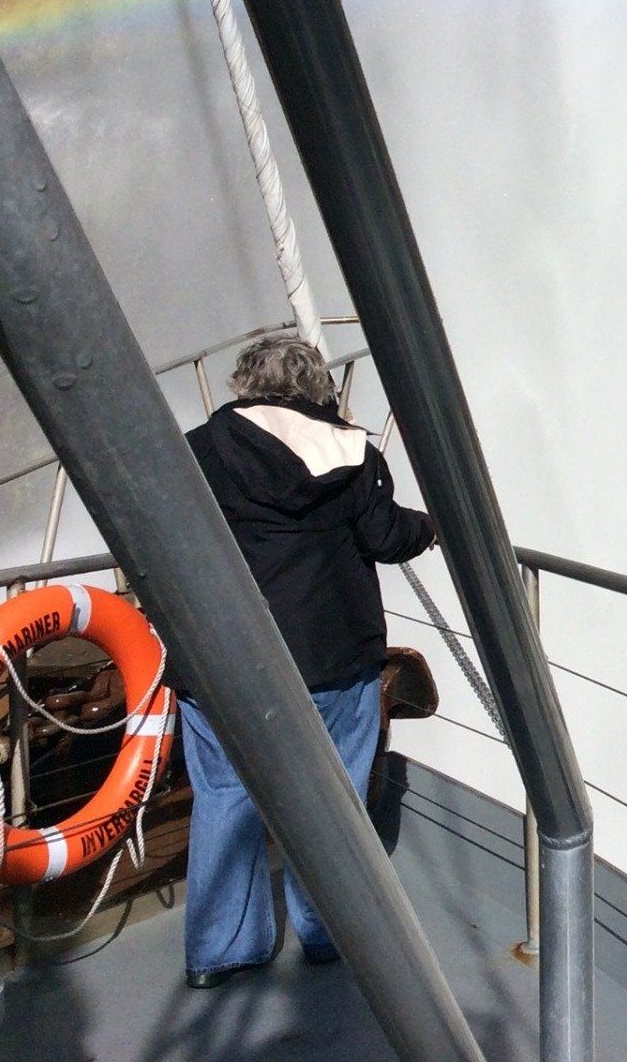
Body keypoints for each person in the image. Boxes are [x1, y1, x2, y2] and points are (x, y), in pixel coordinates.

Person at [176, 333, 435, 989]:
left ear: (243, 381)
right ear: (319, 384)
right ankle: (327, 932)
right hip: (331, 659)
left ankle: (220, 949)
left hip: (221, 658)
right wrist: (431, 527)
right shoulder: (354, 452)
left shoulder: (199, 449)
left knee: (225, 795)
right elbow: (384, 536)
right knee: (334, 797)